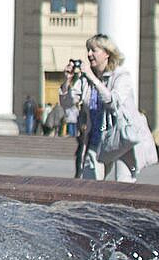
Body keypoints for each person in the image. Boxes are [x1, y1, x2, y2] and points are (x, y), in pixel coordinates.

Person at [60, 33, 153, 182]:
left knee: (124, 185)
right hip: (96, 141)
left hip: (121, 140)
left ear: (107, 54)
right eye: (88, 50)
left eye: (94, 50)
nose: (89, 54)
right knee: (89, 186)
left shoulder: (121, 76)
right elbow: (67, 103)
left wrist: (93, 78)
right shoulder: (85, 79)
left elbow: (112, 102)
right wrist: (67, 81)